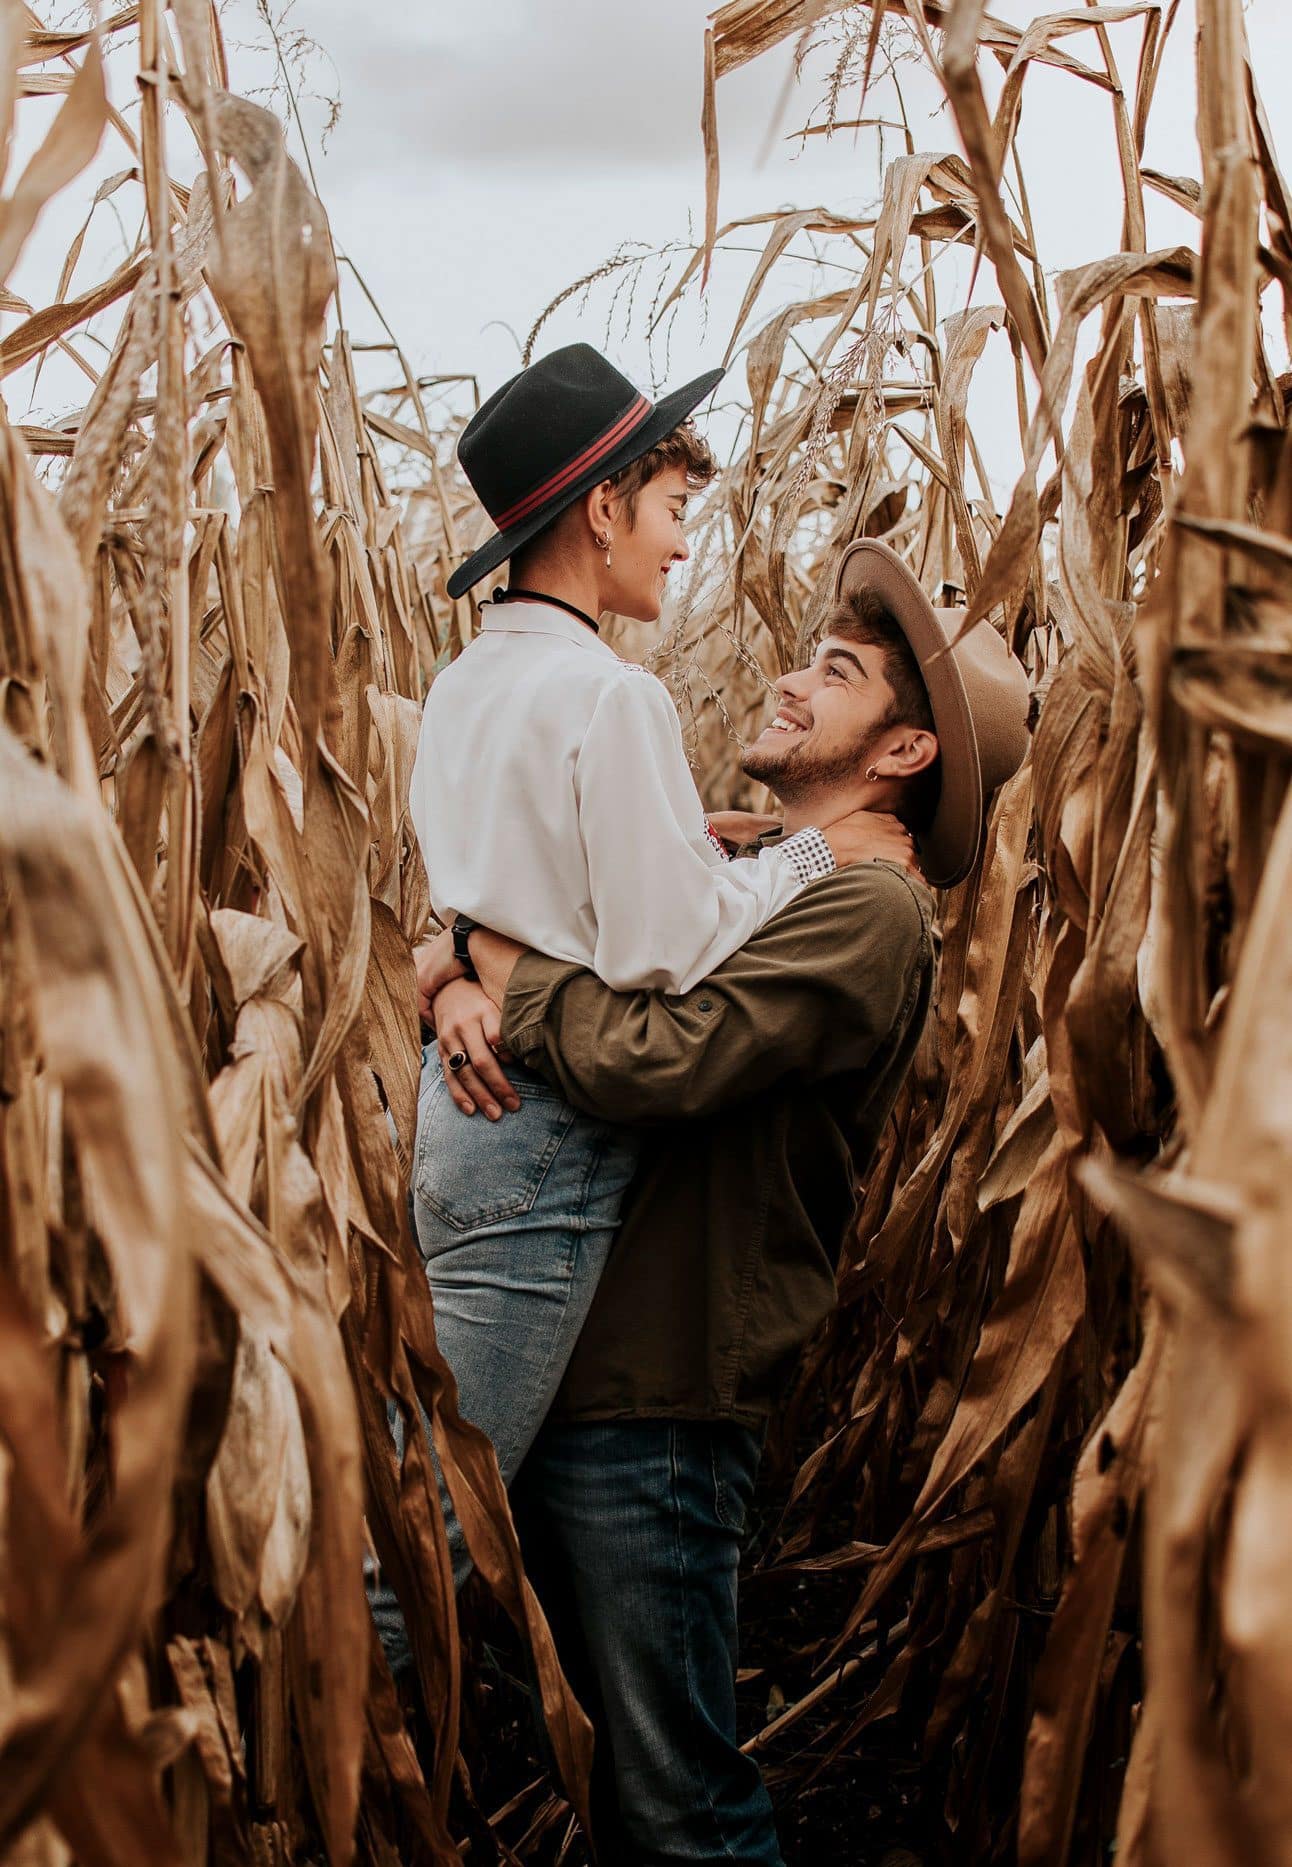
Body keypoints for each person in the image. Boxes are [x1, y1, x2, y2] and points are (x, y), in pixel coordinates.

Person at [425, 538, 1031, 1863]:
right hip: (580, 1369)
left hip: (662, 1396)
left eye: (838, 672)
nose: (790, 681)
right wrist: (460, 960)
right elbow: (521, 919)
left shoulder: (871, 912)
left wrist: (496, 967)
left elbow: (656, 1059)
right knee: (603, 1773)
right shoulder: (742, 877)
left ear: (904, 752)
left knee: (677, 1803)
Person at [401, 344, 917, 1586]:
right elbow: (663, 949)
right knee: (438, 1534)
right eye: (673, 510)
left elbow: (501, 897)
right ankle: (298, 1716)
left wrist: (458, 961)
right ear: (601, 509)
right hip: (540, 1128)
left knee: (432, 1492)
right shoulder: (613, 697)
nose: (682, 546)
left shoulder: (463, 683)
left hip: (453, 1111)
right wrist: (810, 856)